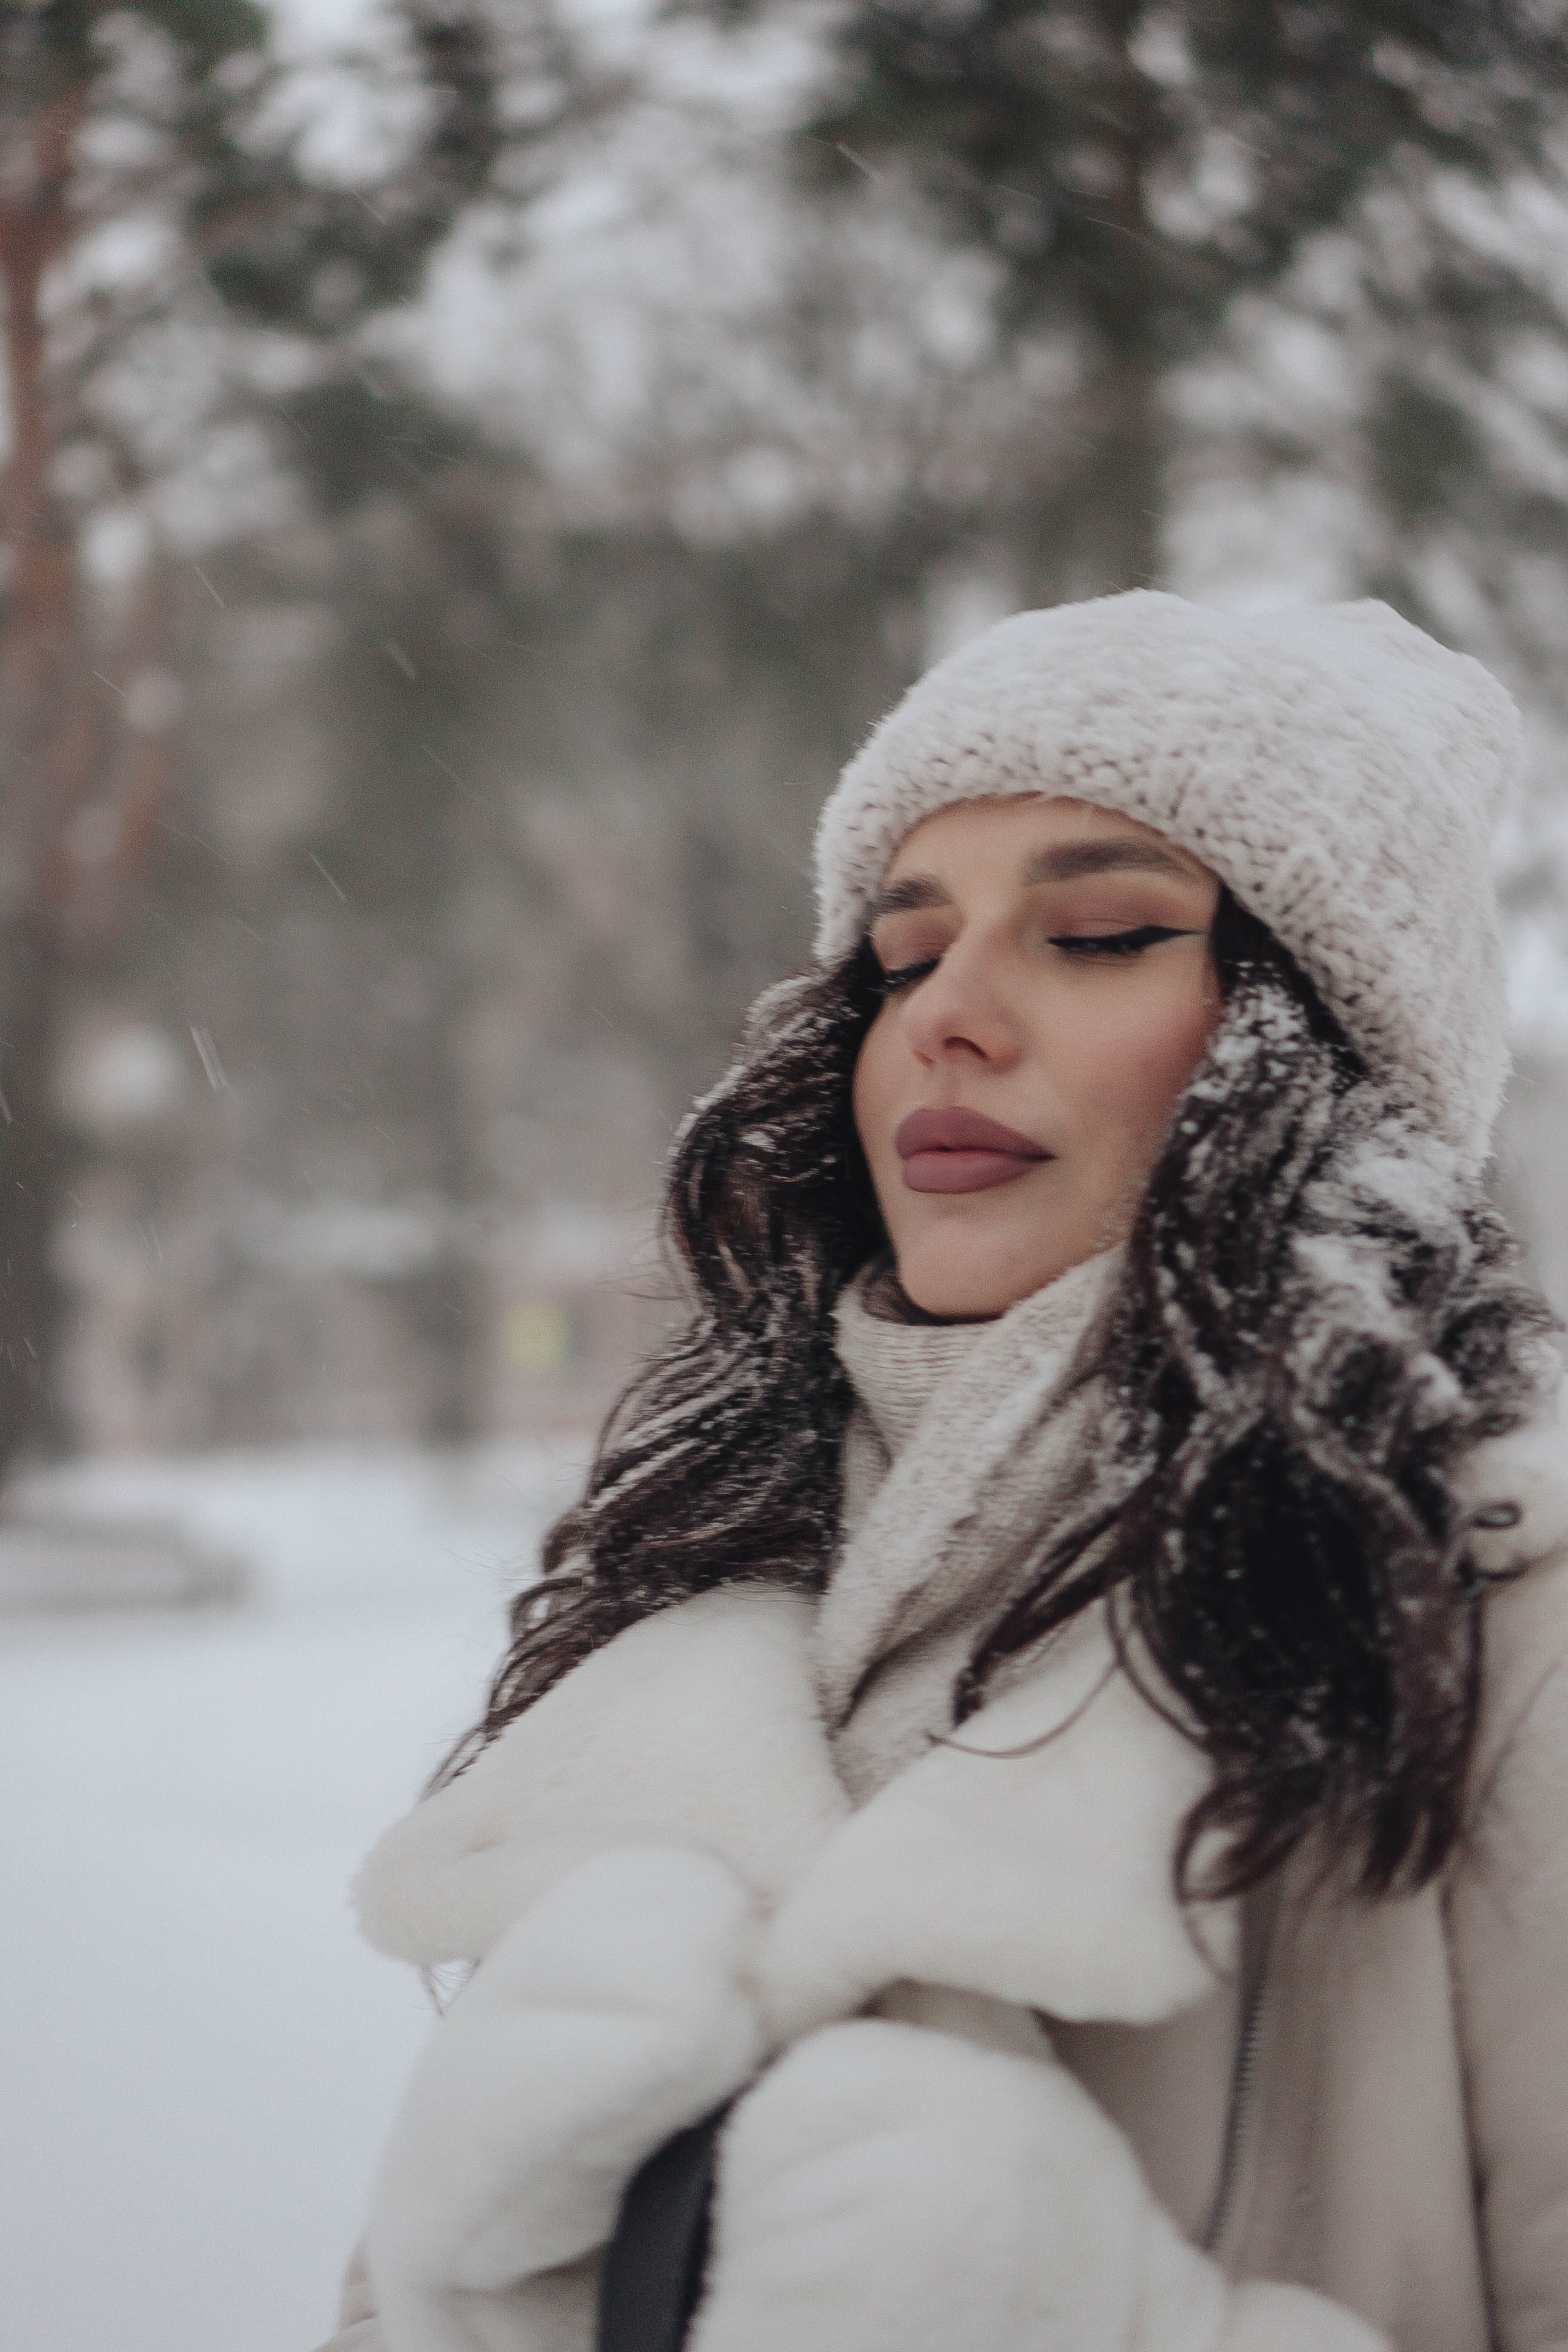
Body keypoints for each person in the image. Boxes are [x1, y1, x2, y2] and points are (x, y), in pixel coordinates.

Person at [318, 592, 1568, 2352]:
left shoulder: (1505, 1623)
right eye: (903, 955)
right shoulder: (696, 1587)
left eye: (1105, 932)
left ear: (1321, 1050)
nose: (948, 1018)